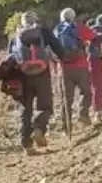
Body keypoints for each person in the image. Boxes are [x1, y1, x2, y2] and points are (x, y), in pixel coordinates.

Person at [10, 11, 66, 153]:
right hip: (42, 74)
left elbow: (10, 58)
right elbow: (58, 48)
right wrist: (62, 58)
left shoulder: (15, 36)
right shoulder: (43, 32)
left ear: (22, 22)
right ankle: (39, 127)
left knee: (25, 109)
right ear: (35, 20)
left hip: (23, 76)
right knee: (46, 106)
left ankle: (27, 145)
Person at [53, 8, 94, 129]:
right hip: (81, 67)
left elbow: (50, 49)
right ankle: (83, 115)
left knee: (65, 99)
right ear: (73, 17)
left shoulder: (56, 30)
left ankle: (67, 126)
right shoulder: (79, 27)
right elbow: (94, 37)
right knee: (86, 93)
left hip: (64, 69)